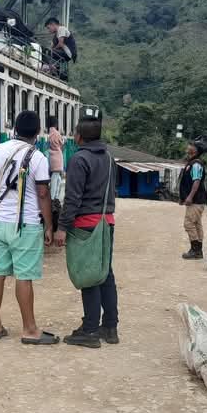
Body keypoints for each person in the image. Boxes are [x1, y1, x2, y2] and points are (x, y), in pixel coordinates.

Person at [0, 110, 58, 345]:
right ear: (37, 132)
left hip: (1, 222)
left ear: (15, 129)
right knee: (24, 276)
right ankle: (30, 330)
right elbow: (43, 194)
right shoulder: (38, 157)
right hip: (26, 225)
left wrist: (4, 188)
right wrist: (49, 226)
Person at [55, 115, 118, 348]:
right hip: (106, 222)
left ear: (79, 136)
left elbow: (72, 199)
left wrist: (62, 227)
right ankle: (110, 327)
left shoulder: (79, 159)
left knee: (89, 274)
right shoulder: (109, 158)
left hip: (85, 224)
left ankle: (90, 330)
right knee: (105, 272)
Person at [179, 142, 207, 260]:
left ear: (195, 150)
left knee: (189, 224)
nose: (188, 146)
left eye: (190, 145)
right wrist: (183, 197)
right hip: (196, 200)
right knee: (196, 224)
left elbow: (196, 181)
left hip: (196, 200)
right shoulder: (192, 163)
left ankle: (195, 250)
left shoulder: (196, 164)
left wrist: (190, 197)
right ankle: (198, 251)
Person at [47, 115, 64, 201]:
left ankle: (55, 197)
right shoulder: (57, 134)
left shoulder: (49, 134)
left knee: (57, 178)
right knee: (55, 179)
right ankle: (53, 198)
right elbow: (62, 144)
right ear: (56, 124)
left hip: (51, 157)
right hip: (57, 157)